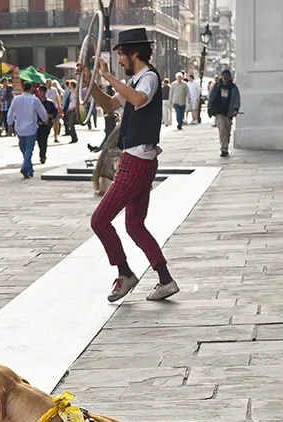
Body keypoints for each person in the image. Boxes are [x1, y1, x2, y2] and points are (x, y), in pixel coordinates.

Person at [84, 27, 179, 302]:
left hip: (137, 162)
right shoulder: (136, 79)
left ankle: (125, 273)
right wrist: (90, 81)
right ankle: (165, 280)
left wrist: (107, 76)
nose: (120, 61)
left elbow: (139, 100)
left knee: (100, 220)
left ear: (134, 54)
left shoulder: (147, 78)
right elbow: (110, 104)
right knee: (135, 225)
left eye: (122, 56)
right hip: (137, 159)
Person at [7, 81, 47, 179]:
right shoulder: (34, 100)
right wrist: (45, 120)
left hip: (19, 127)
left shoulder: (16, 99)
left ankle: (29, 168)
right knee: (29, 149)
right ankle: (26, 167)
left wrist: (10, 123)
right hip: (31, 127)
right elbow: (42, 111)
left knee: (23, 148)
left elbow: (11, 112)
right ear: (31, 89)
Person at [207, 68, 240, 157]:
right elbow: (211, 97)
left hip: (228, 112)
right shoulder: (217, 86)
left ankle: (226, 145)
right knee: (222, 130)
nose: (225, 78)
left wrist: (235, 109)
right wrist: (210, 108)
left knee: (227, 131)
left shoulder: (233, 88)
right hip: (219, 112)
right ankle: (224, 148)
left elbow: (237, 99)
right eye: (224, 76)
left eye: (227, 76)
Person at [36, 88, 59, 165]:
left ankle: (42, 156)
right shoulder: (36, 102)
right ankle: (42, 152)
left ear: (44, 92)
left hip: (46, 125)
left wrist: (51, 115)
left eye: (41, 91)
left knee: (43, 140)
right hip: (36, 125)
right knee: (39, 140)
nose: (39, 93)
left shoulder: (50, 103)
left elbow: (55, 112)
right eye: (38, 91)